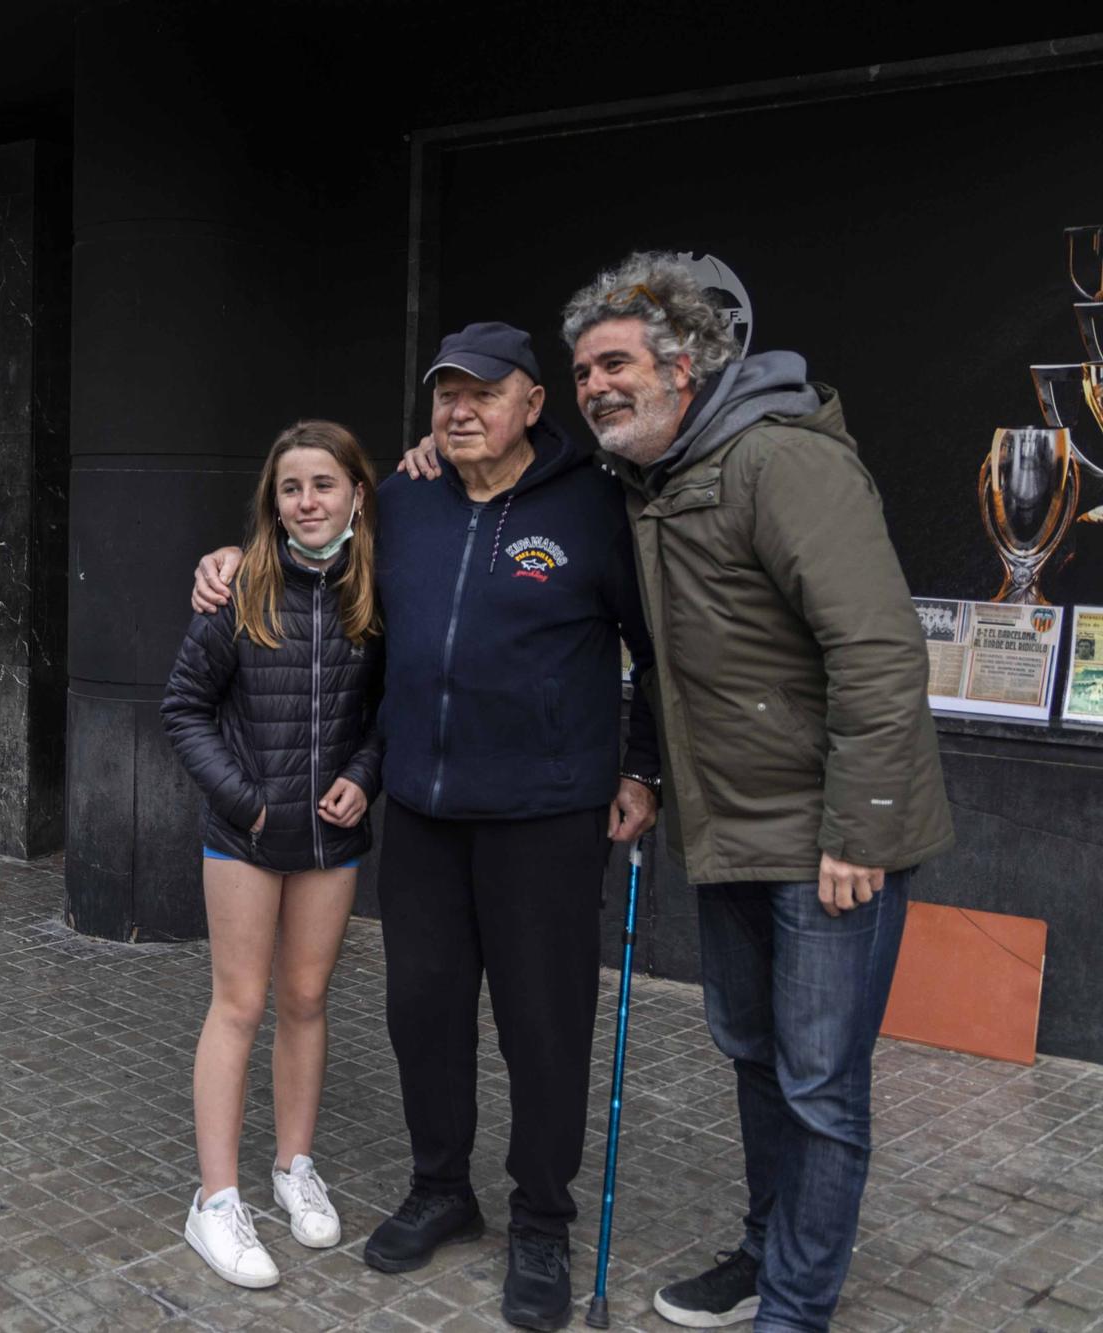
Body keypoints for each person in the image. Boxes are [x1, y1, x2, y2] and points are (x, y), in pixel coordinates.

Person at [403, 256, 954, 1332]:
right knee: (755, 1061)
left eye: (615, 362)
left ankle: (794, 1307)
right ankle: (762, 1255)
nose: (594, 385)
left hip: (827, 834)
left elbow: (879, 652)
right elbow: (661, 660)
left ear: (687, 365)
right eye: (581, 369)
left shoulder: (780, 462)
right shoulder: (645, 485)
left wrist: (863, 830)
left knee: (818, 1088)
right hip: (729, 826)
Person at [193, 325, 659, 1331]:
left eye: (481, 393)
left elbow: (651, 645)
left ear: (532, 403)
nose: (458, 410)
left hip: (544, 812)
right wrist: (227, 556)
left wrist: (640, 766)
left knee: (542, 1026)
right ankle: (440, 1186)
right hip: (424, 813)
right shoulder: (401, 502)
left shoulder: (593, 505)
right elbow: (305, 553)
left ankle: (540, 1218)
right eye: (444, 393)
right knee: (425, 1014)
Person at [160, 420, 384, 1289]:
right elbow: (182, 705)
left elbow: (383, 714)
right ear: (273, 501)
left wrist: (365, 775)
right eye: (291, 487)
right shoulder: (241, 587)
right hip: (245, 838)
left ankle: (294, 1167)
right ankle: (216, 1199)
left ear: (356, 493)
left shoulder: (374, 595)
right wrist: (244, 798)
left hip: (331, 838)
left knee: (305, 998)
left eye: (323, 484)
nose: (308, 500)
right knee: (241, 1005)